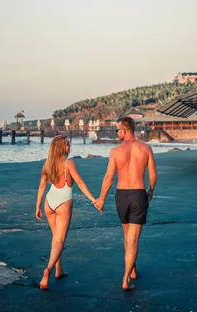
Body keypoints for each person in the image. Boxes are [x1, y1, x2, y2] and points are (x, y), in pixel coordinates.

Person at [94, 116, 157, 291]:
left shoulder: (115, 151)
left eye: (117, 130)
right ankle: (126, 279)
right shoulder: (145, 148)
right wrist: (150, 191)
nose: (116, 133)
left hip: (121, 196)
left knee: (127, 235)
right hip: (138, 194)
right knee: (134, 239)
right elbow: (153, 175)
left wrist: (101, 198)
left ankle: (133, 270)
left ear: (124, 130)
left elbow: (109, 176)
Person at [36, 134, 99, 289]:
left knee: (55, 238)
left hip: (49, 202)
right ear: (60, 147)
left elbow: (42, 187)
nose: (69, 146)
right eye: (67, 144)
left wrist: (37, 206)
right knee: (59, 240)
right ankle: (48, 270)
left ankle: (59, 269)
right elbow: (79, 182)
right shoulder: (68, 163)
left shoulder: (47, 164)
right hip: (63, 202)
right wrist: (93, 199)